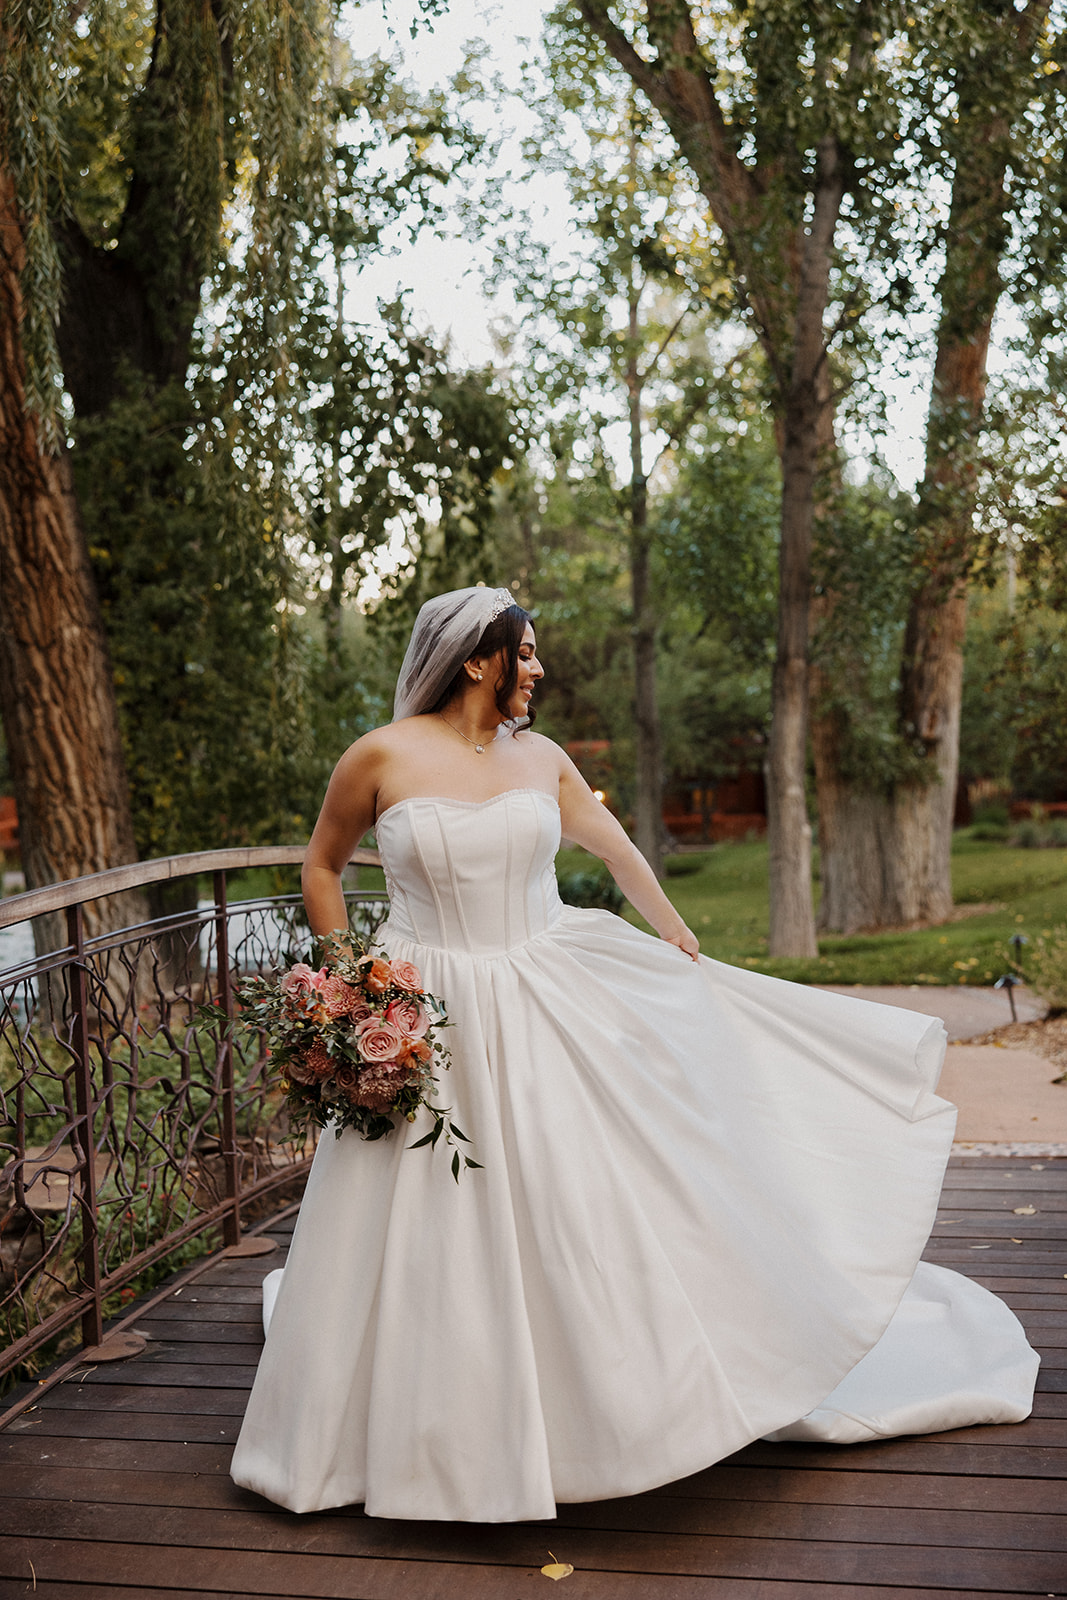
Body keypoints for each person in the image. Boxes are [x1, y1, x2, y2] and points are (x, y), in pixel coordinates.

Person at [231, 585, 1038, 1524]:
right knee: (423, 1205)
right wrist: (351, 987)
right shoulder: (379, 755)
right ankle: (411, 1420)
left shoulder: (544, 759)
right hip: (420, 1007)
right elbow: (322, 866)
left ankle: (608, 1403)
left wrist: (683, 942)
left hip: (540, 991)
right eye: (524, 653)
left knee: (571, 1198)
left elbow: (618, 854)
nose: (537, 669)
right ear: (475, 660)